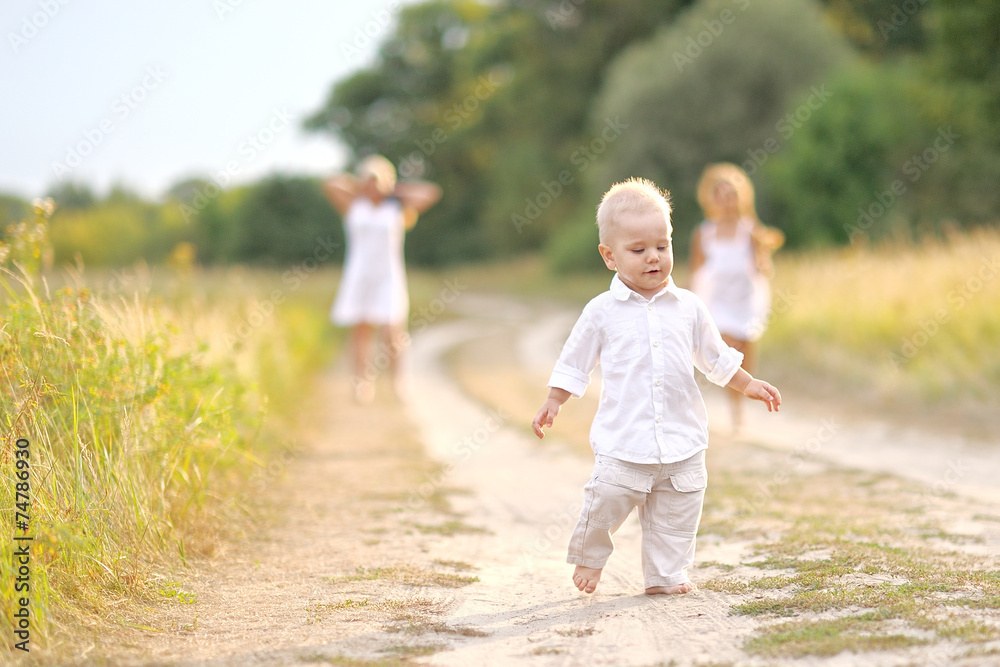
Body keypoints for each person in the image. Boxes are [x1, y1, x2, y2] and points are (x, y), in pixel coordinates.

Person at [531, 177, 781, 596]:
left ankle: (665, 575)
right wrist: (555, 400)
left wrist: (748, 382)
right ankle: (590, 555)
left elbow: (715, 356)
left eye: (662, 247)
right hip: (623, 443)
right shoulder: (601, 312)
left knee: (678, 515)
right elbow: (575, 361)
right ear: (609, 256)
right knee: (606, 501)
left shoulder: (690, 307)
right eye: (639, 250)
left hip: (682, 441)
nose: (654, 258)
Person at [323, 155, 442, 403]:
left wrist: (392, 190)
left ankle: (399, 382)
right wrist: (360, 188)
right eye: (368, 179)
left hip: (388, 275)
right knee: (361, 330)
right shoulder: (354, 205)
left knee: (393, 331)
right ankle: (361, 383)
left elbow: (431, 192)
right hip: (359, 275)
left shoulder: (397, 207)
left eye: (377, 179)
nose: (372, 185)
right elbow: (330, 184)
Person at [688, 163, 784, 431]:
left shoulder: (750, 230)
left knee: (747, 354)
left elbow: (762, 263)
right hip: (718, 302)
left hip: (746, 300)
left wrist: (764, 263)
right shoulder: (703, 233)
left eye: (732, 194)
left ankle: (741, 399)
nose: (727, 200)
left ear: (740, 197)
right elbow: (694, 269)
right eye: (721, 194)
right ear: (712, 198)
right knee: (728, 351)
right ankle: (735, 410)